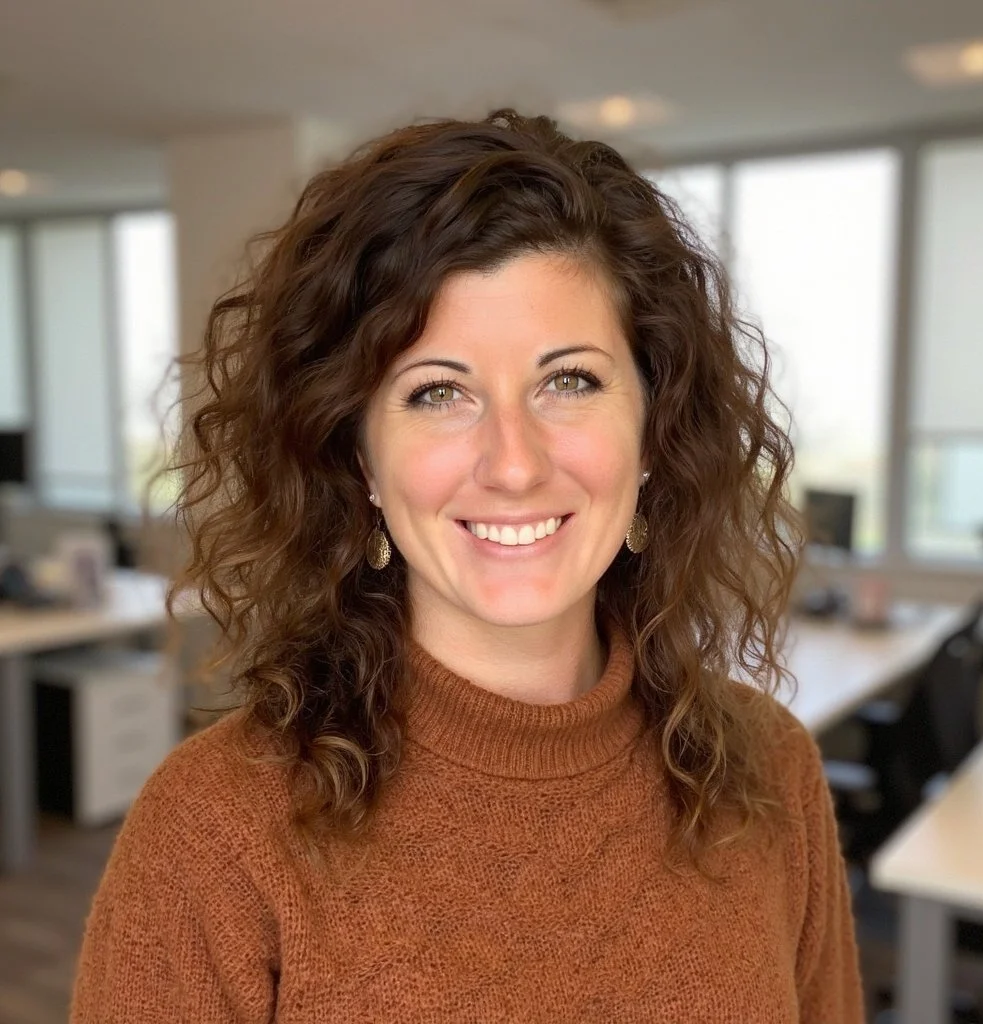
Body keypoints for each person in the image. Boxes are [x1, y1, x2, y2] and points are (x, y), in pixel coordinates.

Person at [71, 109, 863, 1022]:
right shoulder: (213, 832)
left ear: (653, 433)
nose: (515, 463)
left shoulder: (769, 773)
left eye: (570, 380)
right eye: (437, 392)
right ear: (361, 460)